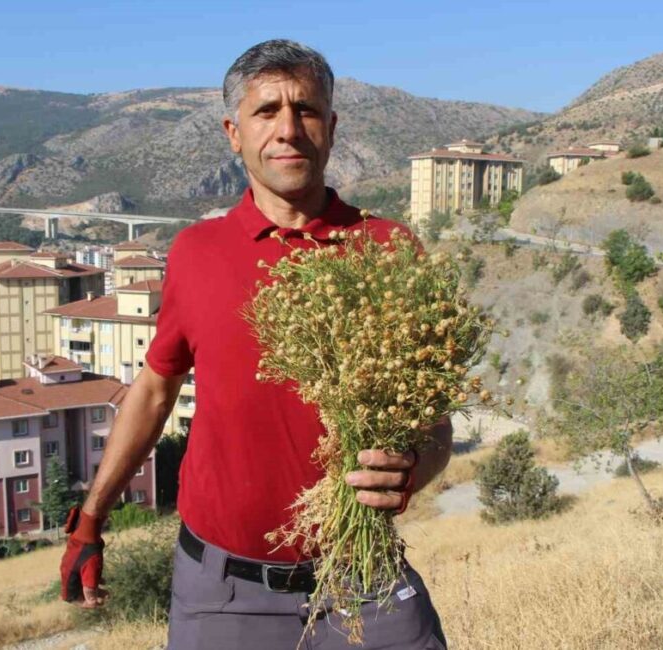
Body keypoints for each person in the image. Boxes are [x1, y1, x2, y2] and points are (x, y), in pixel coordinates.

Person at [60, 39, 451, 650]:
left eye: (306, 110)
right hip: (221, 594)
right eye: (266, 111)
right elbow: (156, 390)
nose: (288, 129)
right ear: (233, 134)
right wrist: (89, 521)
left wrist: (411, 472)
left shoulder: (389, 249)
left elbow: (435, 423)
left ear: (331, 128)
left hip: (364, 578)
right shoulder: (196, 252)